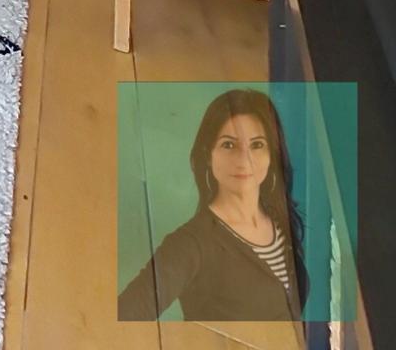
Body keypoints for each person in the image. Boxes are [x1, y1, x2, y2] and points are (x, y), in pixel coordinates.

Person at [119, 88, 305, 321]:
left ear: (272, 154)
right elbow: (126, 314)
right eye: (229, 145)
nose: (244, 159)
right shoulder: (190, 245)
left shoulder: (280, 220)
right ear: (208, 154)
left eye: (257, 145)